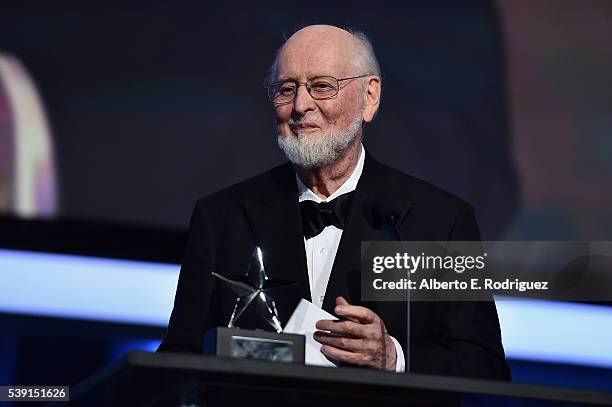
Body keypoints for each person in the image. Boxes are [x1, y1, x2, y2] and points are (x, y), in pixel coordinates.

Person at [158, 24, 510, 380]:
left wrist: (395, 359)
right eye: (286, 89)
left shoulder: (441, 222)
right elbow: (178, 359)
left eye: (322, 86)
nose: (300, 105)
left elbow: (487, 370)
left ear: (369, 97)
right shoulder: (221, 217)